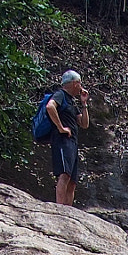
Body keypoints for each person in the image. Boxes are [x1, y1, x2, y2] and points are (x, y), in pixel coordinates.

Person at [43, 69, 90, 206]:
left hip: (73, 143)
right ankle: (60, 208)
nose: (81, 86)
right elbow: (50, 107)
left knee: (72, 182)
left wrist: (84, 104)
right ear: (75, 83)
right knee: (64, 175)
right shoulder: (60, 95)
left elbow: (84, 124)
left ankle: (68, 211)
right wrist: (60, 127)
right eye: (80, 83)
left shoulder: (72, 102)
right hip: (62, 140)